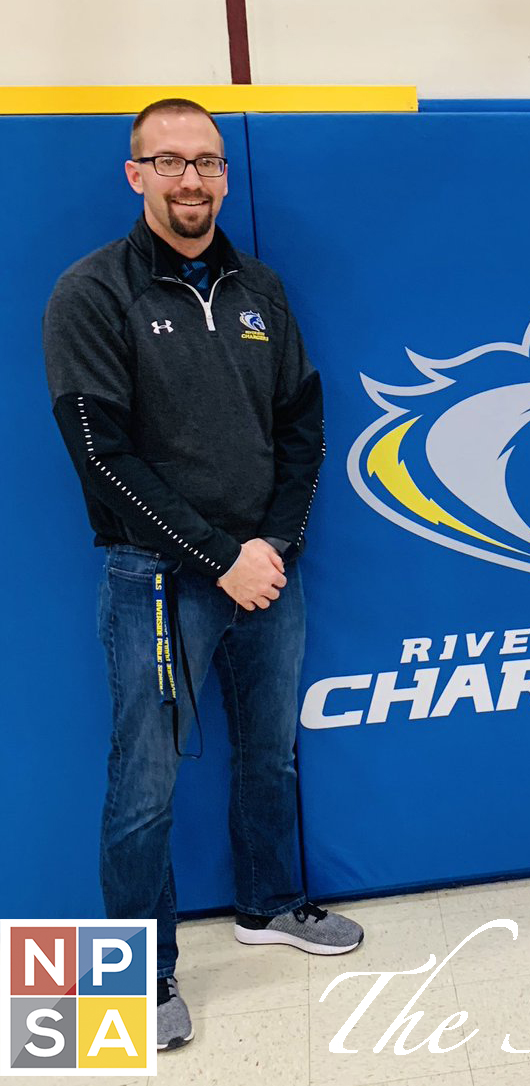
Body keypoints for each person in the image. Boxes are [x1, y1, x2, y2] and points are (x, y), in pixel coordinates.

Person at [43, 97, 363, 1051]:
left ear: (226, 174)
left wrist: (270, 547)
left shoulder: (260, 287)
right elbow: (102, 457)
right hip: (155, 576)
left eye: (208, 162)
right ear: (135, 173)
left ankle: (268, 903)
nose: (192, 179)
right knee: (143, 781)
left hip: (265, 572)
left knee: (270, 752)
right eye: (170, 161)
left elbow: (303, 424)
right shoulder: (92, 293)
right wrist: (220, 557)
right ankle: (136, 976)